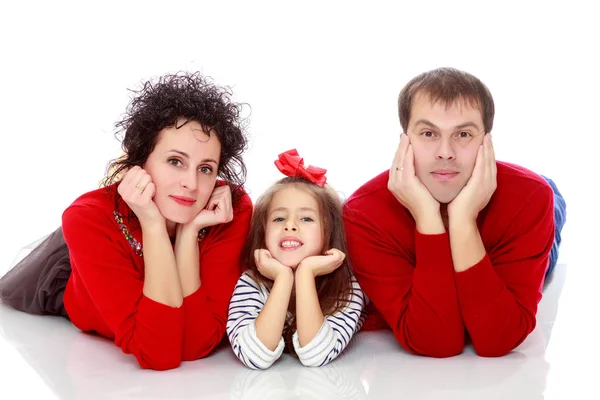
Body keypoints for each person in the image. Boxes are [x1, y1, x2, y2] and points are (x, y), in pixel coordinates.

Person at [0, 72, 253, 370]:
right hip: (89, 288)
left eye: (206, 168)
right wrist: (153, 223)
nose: (192, 184)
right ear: (141, 162)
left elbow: (197, 344)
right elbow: (159, 353)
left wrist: (187, 234)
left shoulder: (228, 207)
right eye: (175, 161)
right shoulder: (87, 218)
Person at [343, 67, 566, 358]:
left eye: (463, 133)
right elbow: (436, 342)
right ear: (404, 141)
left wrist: (462, 220)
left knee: (548, 195)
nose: (445, 152)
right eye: (428, 133)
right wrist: (428, 216)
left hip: (528, 202)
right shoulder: (363, 214)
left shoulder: (532, 198)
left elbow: (499, 339)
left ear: (486, 141)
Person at [226, 149, 367, 369]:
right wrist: (283, 279)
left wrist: (305, 273)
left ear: (329, 232)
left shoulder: (346, 288)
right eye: (279, 218)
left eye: (306, 218)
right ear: (262, 232)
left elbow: (316, 355)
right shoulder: (251, 283)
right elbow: (255, 356)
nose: (290, 225)